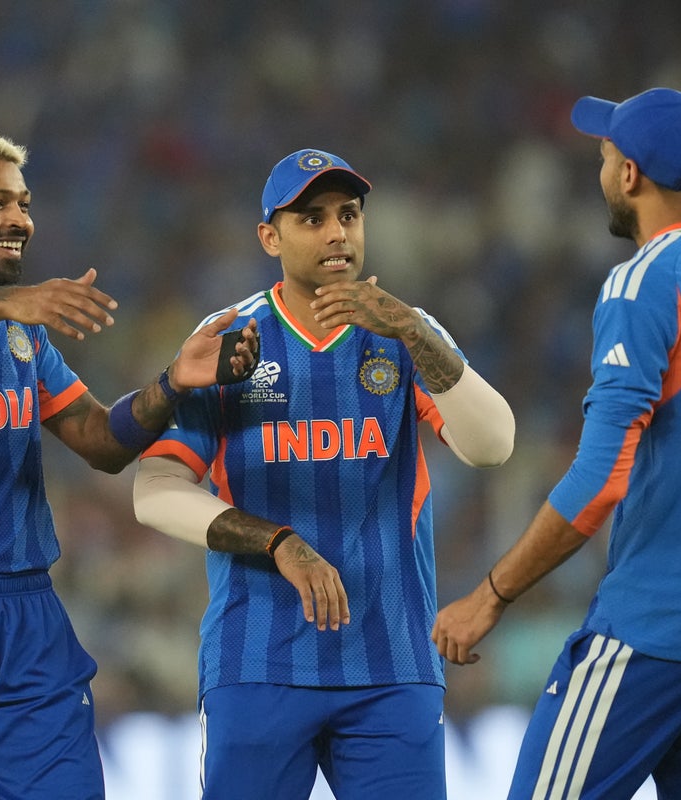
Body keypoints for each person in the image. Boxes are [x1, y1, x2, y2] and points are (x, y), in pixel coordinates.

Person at [0, 129, 257, 800]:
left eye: (23, 204)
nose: (19, 220)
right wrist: (6, 302)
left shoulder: (21, 332)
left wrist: (173, 382)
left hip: (26, 617)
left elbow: (100, 439)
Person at [432, 88, 681, 799]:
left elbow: (599, 479)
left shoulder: (643, 282)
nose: (601, 170)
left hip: (655, 628)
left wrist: (490, 596)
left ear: (629, 174)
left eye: (605, 156)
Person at [132, 148, 516, 799]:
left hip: (391, 665)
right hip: (257, 664)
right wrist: (279, 542)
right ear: (270, 237)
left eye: (349, 214)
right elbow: (156, 489)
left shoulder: (406, 331)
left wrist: (415, 334)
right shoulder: (230, 336)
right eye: (313, 218)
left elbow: (493, 445)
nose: (337, 232)